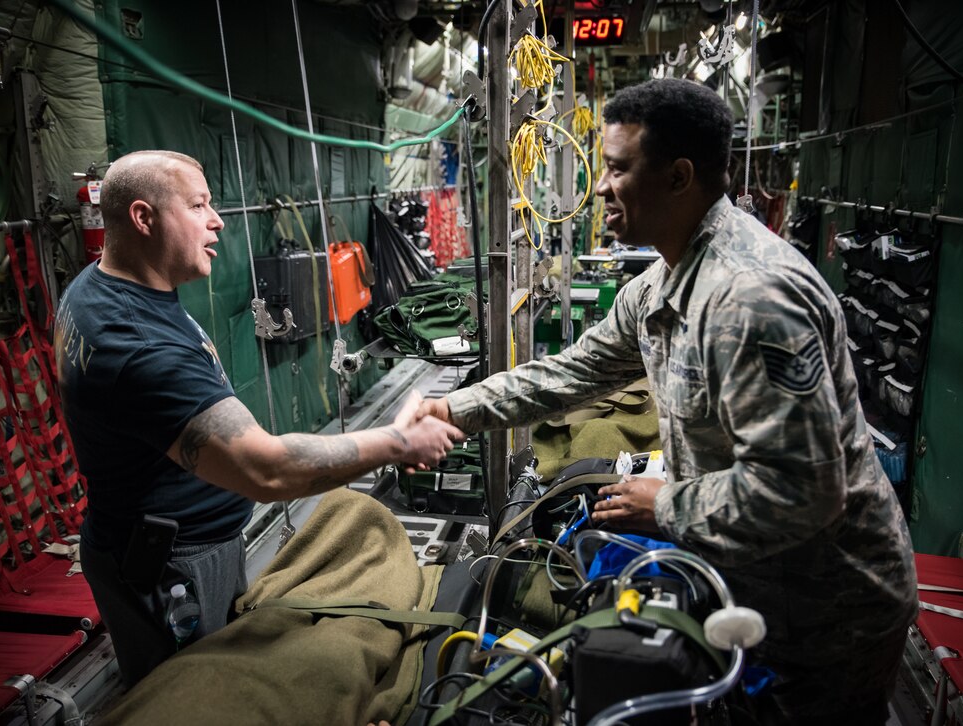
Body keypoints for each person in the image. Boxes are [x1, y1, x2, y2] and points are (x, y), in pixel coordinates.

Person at [419, 79, 917, 723]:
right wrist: (456, 410)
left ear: (679, 177)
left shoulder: (751, 300)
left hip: (827, 612)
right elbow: (575, 372)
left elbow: (804, 490)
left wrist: (669, 504)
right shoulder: (662, 282)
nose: (601, 188)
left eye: (619, 169)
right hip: (750, 583)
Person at [54, 150, 463, 688]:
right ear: (143, 218)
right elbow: (265, 471)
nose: (217, 219)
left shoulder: (99, 285)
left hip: (153, 542)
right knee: (193, 699)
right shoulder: (136, 346)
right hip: (172, 567)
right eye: (199, 205)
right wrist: (398, 441)